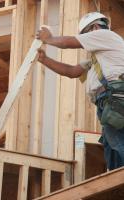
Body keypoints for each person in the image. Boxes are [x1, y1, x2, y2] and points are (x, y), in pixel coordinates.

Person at [36, 12, 124, 170]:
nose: (85, 41)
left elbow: (68, 42)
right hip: (108, 101)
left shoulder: (104, 35)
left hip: (115, 96)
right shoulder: (96, 58)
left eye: (84, 35)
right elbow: (71, 71)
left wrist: (49, 38)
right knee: (113, 149)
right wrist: (45, 60)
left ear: (95, 27)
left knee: (118, 142)